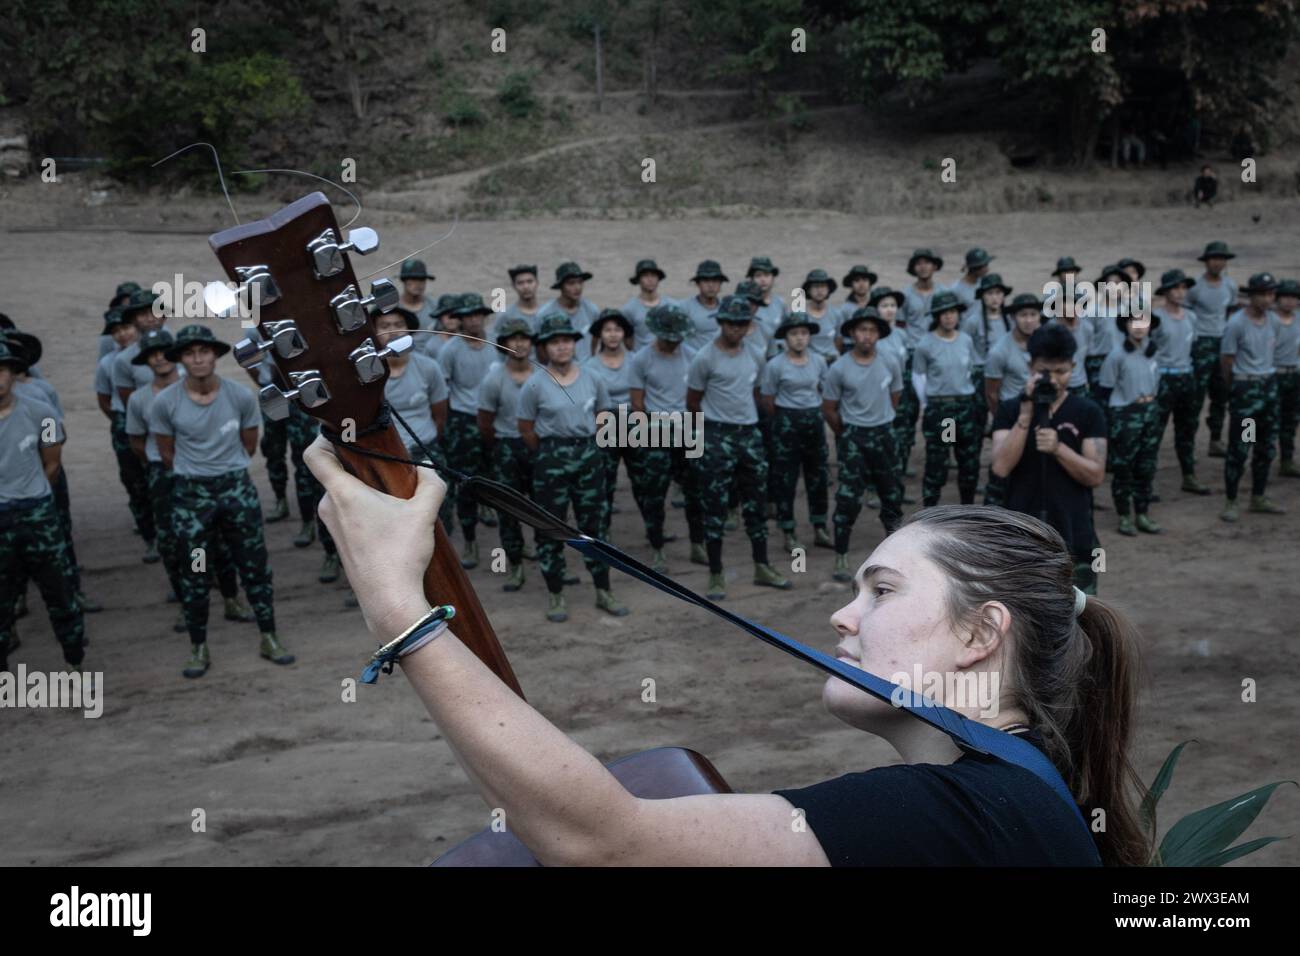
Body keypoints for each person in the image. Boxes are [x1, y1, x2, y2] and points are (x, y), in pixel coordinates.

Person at [303, 433, 1146, 864]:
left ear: (980, 633)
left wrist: (395, 607)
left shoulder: (959, 816)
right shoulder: (1004, 803)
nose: (843, 619)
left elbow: (601, 841)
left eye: (881, 591)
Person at [150, 325, 292, 677]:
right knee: (196, 572)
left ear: (215, 355)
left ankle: (269, 635)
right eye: (190, 353)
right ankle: (199, 646)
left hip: (236, 492)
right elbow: (165, 453)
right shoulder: (165, 402)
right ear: (181, 359)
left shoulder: (240, 396)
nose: (198, 359)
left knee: (254, 566)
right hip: (192, 499)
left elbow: (249, 444)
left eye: (204, 351)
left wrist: (222, 469)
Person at [126, 329, 254, 632]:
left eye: (162, 351)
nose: (158, 358)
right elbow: (136, 441)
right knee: (174, 543)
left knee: (220, 542)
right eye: (151, 354)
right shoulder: (141, 399)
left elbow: (246, 442)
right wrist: (164, 465)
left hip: (206, 476)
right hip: (165, 475)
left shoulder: (211, 391)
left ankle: (231, 595)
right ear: (146, 361)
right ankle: (188, 603)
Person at [518, 315, 629, 622]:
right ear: (545, 348)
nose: (562, 347)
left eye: (566, 340)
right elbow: (526, 428)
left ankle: (603, 590)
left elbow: (603, 412)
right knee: (551, 527)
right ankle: (556, 594)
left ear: (574, 344)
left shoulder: (592, 377)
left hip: (589, 457)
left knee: (594, 527)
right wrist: (550, 453)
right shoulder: (535, 383)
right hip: (551, 459)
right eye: (554, 342)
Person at [687, 296, 791, 600]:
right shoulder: (704, 358)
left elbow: (756, 393)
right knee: (715, 507)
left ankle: (762, 565)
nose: (736, 329)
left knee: (756, 505)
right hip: (716, 436)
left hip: (749, 436)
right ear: (721, 323)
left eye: (742, 323)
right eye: (731, 323)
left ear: (749, 326)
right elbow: (692, 401)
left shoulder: (757, 354)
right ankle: (716, 573)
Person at [991, 324, 1107, 594]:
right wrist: (1026, 413)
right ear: (1030, 366)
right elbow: (1000, 466)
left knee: (1082, 618)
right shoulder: (1010, 410)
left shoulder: (1088, 412)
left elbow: (1096, 475)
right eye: (1045, 371)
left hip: (1076, 535)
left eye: (1061, 372)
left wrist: (1059, 449)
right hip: (1021, 539)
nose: (1053, 380)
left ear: (1073, 367)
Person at [0, 342, 86, 674]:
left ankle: (75, 663)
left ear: (13, 373)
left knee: (60, 593)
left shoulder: (41, 413)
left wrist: (30, 496)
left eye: (2, 369)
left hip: (38, 514)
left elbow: (52, 463)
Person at [823, 308, 904, 582]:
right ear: (852, 334)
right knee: (848, 497)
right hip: (853, 437)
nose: (866, 336)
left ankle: (897, 554)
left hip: (884, 435)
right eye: (861, 330)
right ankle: (841, 555)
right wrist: (847, 434)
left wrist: (881, 421)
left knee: (891, 494)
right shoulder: (839, 368)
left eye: (871, 330)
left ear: (878, 334)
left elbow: (895, 395)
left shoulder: (891, 361)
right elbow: (830, 409)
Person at [627, 305, 705, 573]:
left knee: (695, 491)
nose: (675, 342)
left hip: (687, 429)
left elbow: (697, 397)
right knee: (654, 494)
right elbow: (637, 404)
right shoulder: (641, 359)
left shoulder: (693, 357)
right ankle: (657, 546)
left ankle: (698, 543)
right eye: (670, 337)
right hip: (656, 430)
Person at [438, 294, 500, 567]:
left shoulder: (497, 343)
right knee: (464, 480)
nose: (473, 320)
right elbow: (443, 388)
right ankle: (471, 541)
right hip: (462, 420)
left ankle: (490, 508)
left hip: (495, 418)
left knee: (494, 472)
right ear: (460, 319)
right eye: (468, 315)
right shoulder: (450, 350)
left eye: (478, 314)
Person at [761, 314, 831, 553]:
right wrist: (785, 418)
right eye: (794, 334)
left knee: (818, 476)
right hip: (786, 423)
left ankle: (820, 526)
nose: (799, 339)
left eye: (803, 333)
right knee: (785, 479)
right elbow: (768, 400)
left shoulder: (819, 361)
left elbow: (825, 389)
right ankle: (788, 530)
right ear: (785, 338)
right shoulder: (775, 365)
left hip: (813, 422)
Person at [478, 318, 539, 591]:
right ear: (503, 345)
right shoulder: (494, 379)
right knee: (508, 510)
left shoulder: (542, 375)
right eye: (513, 339)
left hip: (537, 448)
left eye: (524, 338)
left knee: (542, 507)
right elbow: (485, 423)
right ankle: (515, 563)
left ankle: (545, 555)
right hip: (506, 447)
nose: (519, 344)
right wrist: (502, 448)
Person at [1219, 273, 1285, 521]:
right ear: (1252, 296)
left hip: (1267, 389)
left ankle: (1258, 496)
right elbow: (1227, 360)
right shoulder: (1236, 323)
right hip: (1247, 393)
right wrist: (1237, 388)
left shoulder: (1274, 321)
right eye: (1264, 294)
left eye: (1271, 294)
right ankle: (1232, 499)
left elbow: (1272, 351)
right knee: (1242, 446)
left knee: (1266, 447)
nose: (1268, 299)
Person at [109, 288, 163, 559]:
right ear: (135, 320)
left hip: (190, 442)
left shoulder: (182, 347)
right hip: (152, 442)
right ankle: (154, 540)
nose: (150, 318)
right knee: (143, 490)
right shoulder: (123, 360)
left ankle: (205, 570)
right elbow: (132, 406)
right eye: (143, 314)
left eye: (154, 311)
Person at [1097, 313, 1163, 535]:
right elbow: (1104, 392)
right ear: (1125, 326)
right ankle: (1125, 516)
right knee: (1124, 468)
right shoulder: (1116, 356)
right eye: (1133, 322)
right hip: (1125, 415)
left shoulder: (1154, 352)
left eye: (1143, 322)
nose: (1138, 327)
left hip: (1150, 412)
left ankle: (1142, 513)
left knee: (1147, 466)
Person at [914, 290, 981, 507]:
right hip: (944, 413)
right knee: (939, 462)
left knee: (968, 462)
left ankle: (968, 508)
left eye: (952, 312)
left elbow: (969, 369)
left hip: (965, 407)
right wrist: (927, 403)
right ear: (936, 316)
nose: (949, 317)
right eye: (943, 313)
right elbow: (919, 376)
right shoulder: (926, 344)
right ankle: (930, 513)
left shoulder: (966, 340)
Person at [1150, 269, 1212, 495]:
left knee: (1187, 430)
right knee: (1154, 432)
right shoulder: (1155, 318)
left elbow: (1192, 347)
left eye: (1183, 287)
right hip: (1163, 378)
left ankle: (1189, 476)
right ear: (1165, 291)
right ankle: (1148, 483)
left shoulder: (1192, 317)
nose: (1180, 292)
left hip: (1186, 377)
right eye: (1175, 288)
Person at [983, 293, 1046, 506]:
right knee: (1003, 475)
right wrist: (1002, 417)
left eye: (1033, 314)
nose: (1028, 320)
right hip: (1013, 416)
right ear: (1013, 318)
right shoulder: (1000, 351)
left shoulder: (1045, 345)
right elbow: (992, 392)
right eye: (1023, 315)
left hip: (1043, 414)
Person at [1185, 240, 1240, 458]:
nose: (1218, 263)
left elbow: (1231, 312)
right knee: (1196, 396)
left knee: (1222, 394)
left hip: (1223, 343)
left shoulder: (1230, 285)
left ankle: (1216, 440)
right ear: (1206, 262)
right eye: (1214, 259)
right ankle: (1188, 442)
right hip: (1201, 343)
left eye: (1222, 259)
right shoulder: (1195, 289)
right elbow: (1187, 316)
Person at [583, 309, 637, 518]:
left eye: (617, 329)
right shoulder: (589, 366)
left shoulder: (636, 361)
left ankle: (655, 536)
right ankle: (603, 535)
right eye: (607, 330)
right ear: (600, 334)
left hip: (635, 422)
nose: (613, 334)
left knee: (644, 483)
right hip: (604, 424)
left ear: (624, 333)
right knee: (604, 481)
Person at [960, 273, 1013, 434]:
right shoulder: (973, 321)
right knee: (978, 417)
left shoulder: (1011, 319)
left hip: (1006, 373)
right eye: (989, 294)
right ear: (982, 297)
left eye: (998, 293)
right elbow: (963, 348)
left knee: (1006, 414)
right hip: (981, 373)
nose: (994, 298)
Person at [538, 262, 601, 361]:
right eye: (571, 283)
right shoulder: (545, 313)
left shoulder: (591, 310)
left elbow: (596, 337)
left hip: (586, 369)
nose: (577, 287)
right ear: (561, 286)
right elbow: (540, 346)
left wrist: (592, 358)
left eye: (580, 282)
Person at [1273, 279, 1300, 477]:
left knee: (1289, 420)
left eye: (1294, 297)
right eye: (1286, 297)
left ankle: (1287, 460)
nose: (1290, 301)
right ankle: (1247, 452)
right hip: (1270, 376)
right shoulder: (1268, 320)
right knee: (1254, 420)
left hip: (1293, 375)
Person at [621, 259, 671, 350]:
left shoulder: (671, 305)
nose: (650, 279)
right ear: (638, 280)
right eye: (645, 276)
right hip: (642, 361)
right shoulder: (629, 309)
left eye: (653, 275)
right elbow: (628, 342)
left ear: (658, 279)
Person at [681, 259, 728, 353]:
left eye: (715, 281)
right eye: (706, 280)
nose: (711, 285)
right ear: (698, 284)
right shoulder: (685, 308)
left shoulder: (727, 308)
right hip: (693, 361)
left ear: (720, 284)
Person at [799, 269, 840, 362]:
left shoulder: (836, 314)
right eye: (815, 287)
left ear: (828, 290)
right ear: (808, 290)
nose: (819, 290)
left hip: (832, 360)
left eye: (823, 286)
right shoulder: (800, 314)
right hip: (809, 362)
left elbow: (839, 340)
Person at [397, 258, 437, 329]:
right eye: (413, 279)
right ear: (404, 280)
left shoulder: (434, 306)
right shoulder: (392, 308)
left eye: (422, 279)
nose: (418, 283)